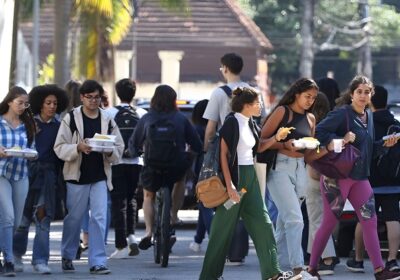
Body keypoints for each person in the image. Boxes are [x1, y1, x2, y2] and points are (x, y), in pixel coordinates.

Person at [305, 75, 400, 280]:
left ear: (371, 95)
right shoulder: (342, 114)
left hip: (359, 178)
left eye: (367, 92)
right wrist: (341, 139)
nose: (363, 96)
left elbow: (368, 150)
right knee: (329, 223)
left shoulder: (369, 116)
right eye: (359, 92)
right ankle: (312, 269)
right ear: (352, 94)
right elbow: (319, 134)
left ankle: (378, 270)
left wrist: (385, 145)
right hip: (336, 177)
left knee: (370, 221)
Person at [199, 87, 299, 280]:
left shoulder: (251, 123)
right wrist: (230, 186)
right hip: (235, 179)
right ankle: (208, 276)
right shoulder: (231, 122)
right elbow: (223, 156)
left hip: (249, 179)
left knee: (264, 224)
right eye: (257, 103)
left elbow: (259, 146)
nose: (260, 106)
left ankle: (273, 273)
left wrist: (276, 139)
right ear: (246, 105)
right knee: (221, 230)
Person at [54, 79, 124, 275]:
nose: (94, 101)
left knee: (99, 218)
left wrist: (109, 151)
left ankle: (98, 261)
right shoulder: (72, 118)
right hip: (76, 177)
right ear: (82, 98)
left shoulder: (108, 119)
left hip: (100, 177)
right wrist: (78, 147)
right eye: (90, 97)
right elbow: (59, 147)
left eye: (97, 97)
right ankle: (68, 255)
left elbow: (119, 147)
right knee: (74, 218)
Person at [203, 52, 265, 265]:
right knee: (240, 207)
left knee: (225, 205)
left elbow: (211, 129)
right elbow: (259, 125)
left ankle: (223, 254)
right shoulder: (254, 93)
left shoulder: (219, 93)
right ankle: (238, 252)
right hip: (248, 159)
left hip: (227, 159)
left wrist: (205, 154)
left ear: (225, 69)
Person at [129, 85, 202, 251]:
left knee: (148, 196)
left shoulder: (147, 118)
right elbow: (196, 143)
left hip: (152, 165)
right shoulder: (180, 119)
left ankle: (148, 232)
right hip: (175, 165)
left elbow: (134, 142)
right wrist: (193, 153)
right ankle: (173, 216)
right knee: (180, 179)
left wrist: (133, 151)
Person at [259, 78, 319, 279]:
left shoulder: (311, 118)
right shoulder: (282, 112)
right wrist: (284, 144)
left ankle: (271, 265)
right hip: (279, 168)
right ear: (296, 94)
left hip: (300, 168)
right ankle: (298, 269)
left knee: (285, 222)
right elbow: (261, 142)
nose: (310, 100)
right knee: (295, 218)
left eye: (313, 98)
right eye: (307, 96)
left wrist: (327, 149)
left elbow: (310, 152)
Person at [13, 84, 68, 274]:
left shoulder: (60, 127)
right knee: (23, 219)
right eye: (48, 103)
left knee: (43, 219)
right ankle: (16, 256)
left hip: (48, 177)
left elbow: (62, 153)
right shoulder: (27, 124)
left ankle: (40, 260)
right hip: (27, 173)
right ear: (40, 104)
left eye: (55, 103)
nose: (52, 106)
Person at [346, 85, 400, 273]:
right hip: (393, 181)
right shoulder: (396, 125)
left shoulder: (365, 124)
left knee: (365, 219)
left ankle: (359, 259)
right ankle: (392, 259)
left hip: (368, 180)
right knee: (393, 218)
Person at [106, 78, 147, 259]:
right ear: (134, 93)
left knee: (118, 201)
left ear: (117, 93)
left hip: (116, 162)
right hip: (137, 162)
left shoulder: (108, 113)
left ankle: (121, 245)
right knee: (131, 199)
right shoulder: (142, 113)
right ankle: (131, 236)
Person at [0, 86, 36, 276]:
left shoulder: (27, 124)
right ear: (9, 102)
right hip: (1, 174)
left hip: (21, 173)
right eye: (19, 103)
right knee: (8, 217)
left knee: (14, 223)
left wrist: (30, 154)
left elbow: (33, 149)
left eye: (25, 103)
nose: (23, 106)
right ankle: (8, 260)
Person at [304, 92, 338, 275]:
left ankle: (327, 259)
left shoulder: (311, 125)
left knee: (316, 218)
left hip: (314, 175)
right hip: (333, 177)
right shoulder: (334, 125)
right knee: (323, 218)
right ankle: (315, 257)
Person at [188, 99, 214, 253]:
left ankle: (214, 237)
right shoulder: (217, 127)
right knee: (204, 204)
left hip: (201, 169)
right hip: (217, 168)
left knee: (205, 204)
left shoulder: (196, 129)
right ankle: (197, 240)